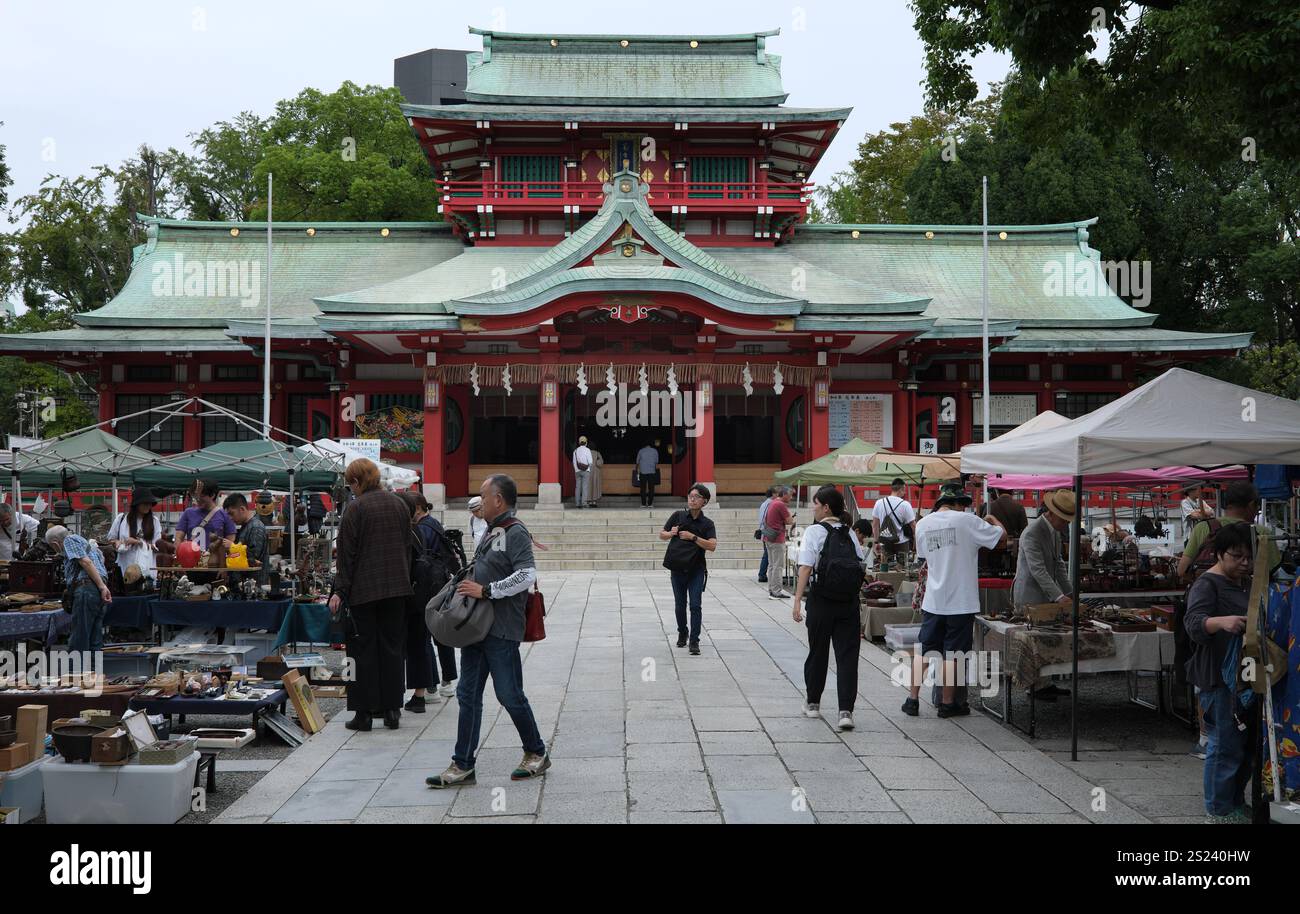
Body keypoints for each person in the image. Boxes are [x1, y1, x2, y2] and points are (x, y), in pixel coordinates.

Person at [427, 474, 550, 788]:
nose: (479, 501)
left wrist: (488, 591)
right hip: (475, 628)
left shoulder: (515, 531)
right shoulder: (491, 530)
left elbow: (526, 574)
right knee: (468, 695)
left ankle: (536, 751)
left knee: (509, 694)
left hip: (501, 627)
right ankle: (462, 763)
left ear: (499, 499)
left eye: (483, 495)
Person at [903, 482, 1006, 718]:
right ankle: (948, 704)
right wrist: (991, 517)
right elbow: (1001, 537)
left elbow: (923, 556)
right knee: (953, 654)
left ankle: (912, 699)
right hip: (961, 600)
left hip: (934, 600)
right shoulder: (967, 521)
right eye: (963, 504)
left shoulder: (922, 525)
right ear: (958, 503)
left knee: (926, 651)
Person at [329, 459, 413, 732]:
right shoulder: (399, 504)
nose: (350, 488)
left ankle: (363, 712)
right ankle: (392, 710)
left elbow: (346, 555)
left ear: (356, 482)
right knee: (392, 648)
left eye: (350, 483)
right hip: (397, 587)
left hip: (364, 589)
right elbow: (407, 546)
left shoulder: (356, 508)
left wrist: (340, 590)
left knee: (361, 651)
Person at [1183, 522, 1255, 821]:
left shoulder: (1247, 581)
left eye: (1248, 556)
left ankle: (1235, 801)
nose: (1244, 563)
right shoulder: (1206, 584)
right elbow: (1193, 623)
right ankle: (1219, 809)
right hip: (1217, 675)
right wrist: (1221, 622)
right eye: (1237, 556)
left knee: (1246, 745)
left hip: (1245, 675)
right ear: (1219, 554)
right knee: (1224, 744)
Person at [792, 485, 866, 731]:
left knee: (818, 652)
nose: (813, 507)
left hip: (821, 600)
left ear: (826, 507)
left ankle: (813, 703)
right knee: (847, 657)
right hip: (848, 603)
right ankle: (846, 712)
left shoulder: (814, 531)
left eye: (815, 503)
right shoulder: (850, 533)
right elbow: (860, 565)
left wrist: (796, 601)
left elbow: (805, 567)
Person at [1012, 490, 1077, 701]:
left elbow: (1058, 565)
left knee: (1045, 641)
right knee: (1033, 642)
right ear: (1051, 513)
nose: (1066, 524)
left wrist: (1069, 592)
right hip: (1029, 594)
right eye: (1064, 520)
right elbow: (1037, 570)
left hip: (1046, 593)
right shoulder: (1032, 532)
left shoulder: (1054, 532)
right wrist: (1060, 597)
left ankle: (1044, 683)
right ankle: (1033, 685)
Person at [399, 490, 459, 711]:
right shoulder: (433, 524)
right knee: (439, 636)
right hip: (438, 584)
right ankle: (445, 681)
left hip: (425, 589)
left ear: (415, 509)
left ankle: (432, 687)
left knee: (422, 639)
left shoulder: (420, 529)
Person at [1178, 481, 1281, 582]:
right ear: (1251, 504)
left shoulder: (1203, 527)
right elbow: (1273, 572)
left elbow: (1182, 570)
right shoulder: (1262, 532)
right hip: (1247, 596)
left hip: (1208, 595)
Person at [659, 483, 719, 655]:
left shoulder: (707, 523)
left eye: (697, 497)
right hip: (677, 568)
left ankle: (694, 640)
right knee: (679, 604)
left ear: (704, 501)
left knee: (695, 605)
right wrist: (671, 533)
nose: (692, 499)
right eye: (690, 496)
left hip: (696, 569)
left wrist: (693, 537)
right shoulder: (678, 516)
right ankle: (682, 632)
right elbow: (661, 534)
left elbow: (712, 546)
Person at [47, 525, 113, 655]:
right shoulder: (88, 545)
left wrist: (101, 586)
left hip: (87, 590)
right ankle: (95, 673)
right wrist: (102, 587)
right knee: (95, 638)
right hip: (95, 591)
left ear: (55, 543)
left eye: (52, 547)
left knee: (79, 636)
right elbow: (99, 562)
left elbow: (86, 562)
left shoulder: (69, 540)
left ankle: (75, 673)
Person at [106, 487, 162, 584]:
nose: (148, 506)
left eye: (150, 504)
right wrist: (117, 542)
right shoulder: (121, 519)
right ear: (136, 504)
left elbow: (158, 547)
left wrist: (138, 542)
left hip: (147, 571)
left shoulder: (154, 522)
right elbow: (110, 540)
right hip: (124, 568)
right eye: (145, 503)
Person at [223, 493, 269, 590]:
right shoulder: (246, 526)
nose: (230, 518)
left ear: (242, 509)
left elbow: (253, 558)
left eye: (231, 513)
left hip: (253, 588)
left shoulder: (256, 527)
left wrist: (232, 547)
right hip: (244, 586)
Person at [176, 479, 236, 551]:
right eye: (196, 496)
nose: (198, 499)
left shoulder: (225, 515)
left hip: (214, 560)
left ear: (212, 495)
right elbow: (178, 538)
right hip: (192, 559)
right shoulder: (188, 513)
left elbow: (230, 541)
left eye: (202, 496)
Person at [872, 479, 917, 566]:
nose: (905, 493)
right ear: (901, 489)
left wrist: (876, 541)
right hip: (902, 542)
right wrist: (915, 542)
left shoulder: (879, 503)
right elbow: (913, 526)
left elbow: (875, 525)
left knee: (885, 568)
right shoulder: (905, 504)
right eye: (904, 490)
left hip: (885, 541)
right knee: (903, 569)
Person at [762, 486, 795, 599]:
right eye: (790, 495)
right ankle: (776, 591)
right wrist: (790, 515)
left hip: (769, 537)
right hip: (777, 539)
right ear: (784, 494)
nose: (791, 498)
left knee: (772, 565)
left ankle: (771, 589)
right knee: (778, 566)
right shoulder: (781, 505)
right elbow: (789, 521)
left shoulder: (773, 502)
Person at [757, 486, 776, 583]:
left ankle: (762, 574)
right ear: (773, 494)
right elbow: (763, 519)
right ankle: (762, 574)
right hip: (767, 531)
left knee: (767, 554)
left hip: (765, 531)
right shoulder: (769, 504)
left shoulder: (766, 503)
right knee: (767, 554)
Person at [572, 436, 594, 509]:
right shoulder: (587, 450)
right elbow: (590, 462)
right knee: (585, 487)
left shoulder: (575, 451)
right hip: (586, 471)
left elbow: (574, 462)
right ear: (586, 443)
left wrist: (576, 470)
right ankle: (584, 503)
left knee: (577, 487)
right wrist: (587, 468)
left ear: (579, 442)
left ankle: (577, 504)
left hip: (577, 471)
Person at [636, 440, 660, 508]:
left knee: (643, 488)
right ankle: (650, 504)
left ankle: (643, 504)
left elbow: (637, 462)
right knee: (651, 488)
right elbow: (656, 462)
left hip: (643, 472)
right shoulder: (655, 451)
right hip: (652, 472)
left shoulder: (641, 451)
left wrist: (637, 470)